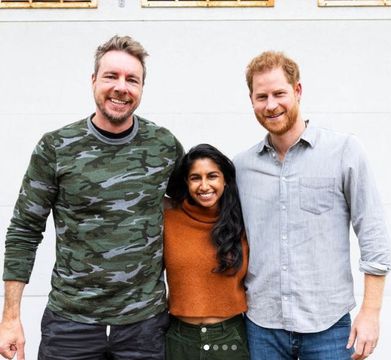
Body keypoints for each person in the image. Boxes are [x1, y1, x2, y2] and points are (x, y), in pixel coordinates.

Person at [0, 35, 183, 360]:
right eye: (111, 76)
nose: (121, 87)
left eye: (132, 79)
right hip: (71, 325)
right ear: (93, 80)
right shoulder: (56, 148)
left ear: (141, 88)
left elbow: (193, 210)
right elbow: (24, 231)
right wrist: (11, 317)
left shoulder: (163, 146)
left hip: (143, 326)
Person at [233, 51, 391, 360]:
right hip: (262, 327)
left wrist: (371, 313)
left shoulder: (344, 151)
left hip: (329, 329)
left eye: (279, 93)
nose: (271, 105)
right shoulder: (241, 167)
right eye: (261, 96)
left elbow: (373, 235)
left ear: (297, 91)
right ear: (251, 100)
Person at [164, 144, 249, 360]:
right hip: (180, 338)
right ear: (186, 181)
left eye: (212, 176)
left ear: (225, 180)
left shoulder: (244, 220)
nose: (204, 186)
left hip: (229, 338)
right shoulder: (168, 217)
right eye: (195, 178)